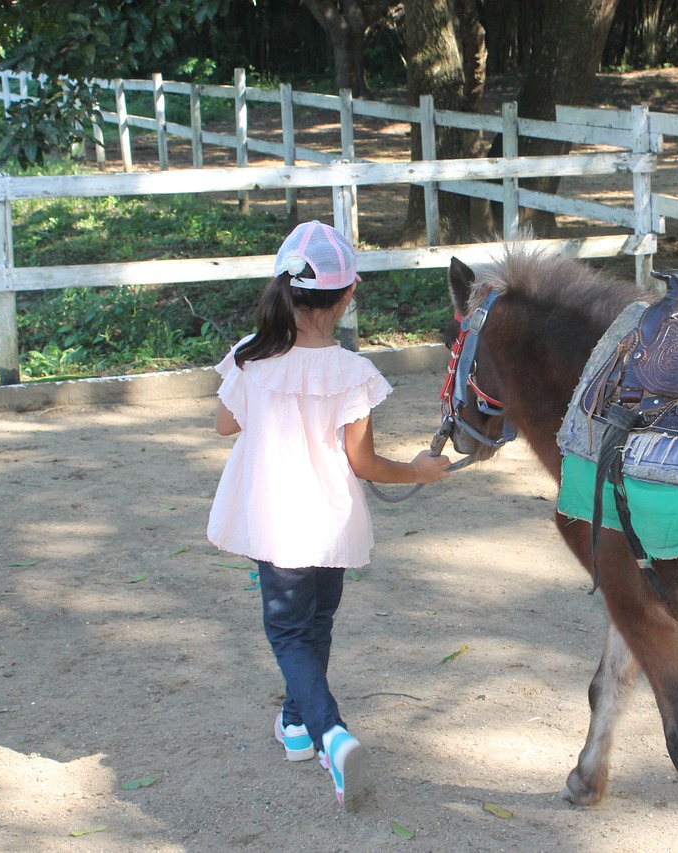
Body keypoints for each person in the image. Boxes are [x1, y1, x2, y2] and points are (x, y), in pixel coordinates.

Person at [207, 220, 452, 810]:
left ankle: (330, 733)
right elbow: (363, 463)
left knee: (289, 631)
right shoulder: (352, 372)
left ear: (284, 291)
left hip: (274, 520)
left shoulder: (250, 356)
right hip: (331, 522)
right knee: (315, 626)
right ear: (347, 297)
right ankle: (299, 725)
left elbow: (224, 424)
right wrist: (418, 470)